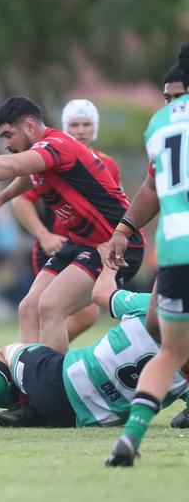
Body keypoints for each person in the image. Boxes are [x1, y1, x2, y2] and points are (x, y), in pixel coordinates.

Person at [0, 96, 143, 354]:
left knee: (51, 307)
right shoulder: (43, 153)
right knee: (29, 308)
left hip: (115, 243)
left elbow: (12, 166)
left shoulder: (56, 144)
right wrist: (2, 197)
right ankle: (27, 389)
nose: (6, 144)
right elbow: (29, 176)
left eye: (8, 135)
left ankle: (51, 389)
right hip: (82, 243)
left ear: (29, 125)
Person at [0, 265, 188, 428]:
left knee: (7, 354)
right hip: (89, 420)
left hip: (65, 381)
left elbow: (100, 293)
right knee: (34, 384)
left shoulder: (146, 305)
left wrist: (109, 265)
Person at [105, 44, 189, 466]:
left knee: (169, 349)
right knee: (163, 334)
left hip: (175, 249)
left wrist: (123, 227)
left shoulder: (158, 125)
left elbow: (157, 186)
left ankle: (131, 438)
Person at [9, 99, 121, 343]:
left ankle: (36, 358)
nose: (80, 130)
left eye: (86, 124)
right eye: (74, 124)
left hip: (91, 247)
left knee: (77, 313)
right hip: (59, 247)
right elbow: (20, 199)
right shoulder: (49, 156)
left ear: (95, 128)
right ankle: (32, 363)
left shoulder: (108, 164)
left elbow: (115, 207)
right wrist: (44, 235)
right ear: (64, 127)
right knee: (42, 308)